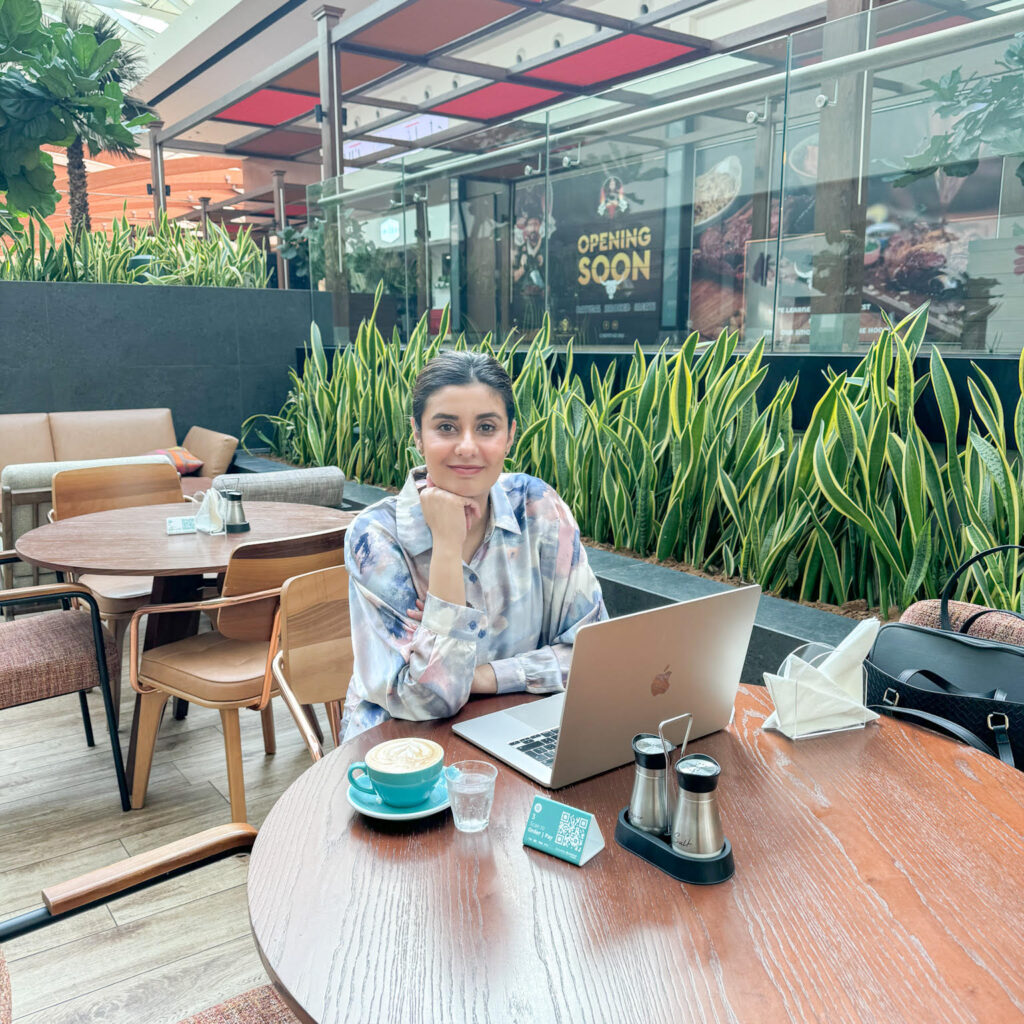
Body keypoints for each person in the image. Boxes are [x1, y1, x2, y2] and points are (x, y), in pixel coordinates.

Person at [342, 352, 607, 739]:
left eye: (486, 427)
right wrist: (447, 549)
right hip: (397, 747)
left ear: (510, 435)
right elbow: (428, 699)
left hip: (517, 729)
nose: (467, 446)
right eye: (446, 427)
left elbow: (594, 654)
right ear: (417, 434)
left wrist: (481, 676)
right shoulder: (376, 537)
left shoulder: (537, 508)